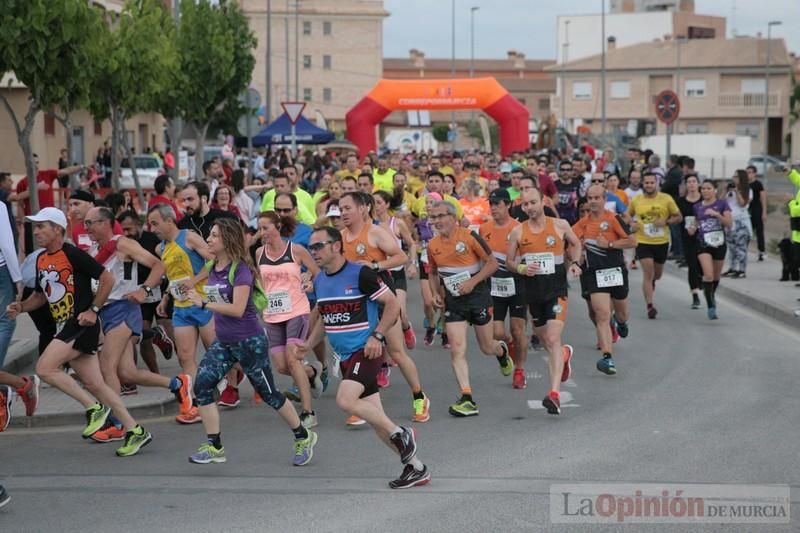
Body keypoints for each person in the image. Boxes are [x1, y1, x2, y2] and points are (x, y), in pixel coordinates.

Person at [7, 208, 152, 455]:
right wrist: (21, 307)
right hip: (66, 325)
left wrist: (94, 310)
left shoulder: (73, 254)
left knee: (44, 368)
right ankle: (135, 430)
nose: (37, 231)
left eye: (42, 226)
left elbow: (107, 279)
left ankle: (94, 409)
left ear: (57, 229)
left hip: (81, 324)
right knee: (97, 384)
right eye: (35, 227)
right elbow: (41, 297)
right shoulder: (41, 259)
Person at [300, 226, 430, 489]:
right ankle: (416, 467)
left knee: (346, 400)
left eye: (318, 246)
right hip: (346, 357)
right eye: (311, 247)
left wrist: (378, 336)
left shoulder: (360, 274)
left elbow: (393, 304)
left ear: (336, 246)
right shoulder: (322, 280)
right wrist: (306, 345)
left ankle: (401, 433)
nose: (313, 252)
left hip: (367, 351)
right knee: (376, 421)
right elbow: (326, 319)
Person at [184, 218, 318, 465]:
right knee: (201, 386)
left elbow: (236, 309)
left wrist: (203, 303)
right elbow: (202, 279)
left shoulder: (241, 269)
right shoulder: (213, 264)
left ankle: (303, 435)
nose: (209, 240)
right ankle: (215, 446)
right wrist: (189, 285)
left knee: (269, 394)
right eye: (209, 235)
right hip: (223, 342)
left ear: (227, 240)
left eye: (214, 236)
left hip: (249, 341)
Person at [84, 207, 191, 441]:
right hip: (106, 312)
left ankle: (117, 423)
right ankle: (177, 384)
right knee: (127, 372)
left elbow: (159, 265)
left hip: (124, 308)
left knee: (106, 366)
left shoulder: (122, 244)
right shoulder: (93, 250)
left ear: (106, 223)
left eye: (91, 223)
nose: (87, 228)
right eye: (85, 223)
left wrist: (144, 290)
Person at [339, 192, 430, 424]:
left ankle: (419, 397)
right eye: (341, 209)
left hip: (383, 300)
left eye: (347, 208)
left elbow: (400, 257)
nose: (343, 213)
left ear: (363, 209)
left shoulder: (377, 233)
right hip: (357, 303)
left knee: (397, 352)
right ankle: (360, 403)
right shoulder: (340, 238)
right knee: (357, 353)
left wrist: (375, 265)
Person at [427, 201, 513, 417]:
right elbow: (432, 272)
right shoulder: (432, 245)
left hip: (478, 297)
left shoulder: (469, 237)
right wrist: (435, 293)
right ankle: (467, 397)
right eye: (433, 217)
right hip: (454, 301)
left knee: (486, 347)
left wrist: (472, 283)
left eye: (440, 216)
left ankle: (501, 351)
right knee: (457, 348)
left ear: (453, 216)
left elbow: (492, 264)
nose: (436, 221)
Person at [506, 188, 582, 415]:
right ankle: (565, 355)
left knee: (552, 337)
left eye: (533, 203)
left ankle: (554, 394)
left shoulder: (560, 225)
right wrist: (520, 267)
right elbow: (509, 261)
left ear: (542, 202)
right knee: (549, 343)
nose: (529, 208)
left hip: (557, 291)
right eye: (525, 204)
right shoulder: (518, 232)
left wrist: (576, 263)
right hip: (533, 294)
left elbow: (576, 244)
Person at [148, 204, 215, 424]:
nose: (152, 228)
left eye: (155, 223)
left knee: (215, 354)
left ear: (169, 220)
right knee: (185, 357)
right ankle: (195, 403)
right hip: (181, 308)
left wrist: (194, 282)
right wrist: (166, 298)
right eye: (150, 224)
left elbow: (213, 261)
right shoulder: (160, 249)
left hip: (203, 302)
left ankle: (236, 375)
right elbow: (173, 276)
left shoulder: (190, 237)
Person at [256, 211, 322, 428]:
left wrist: (309, 279)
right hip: (273, 315)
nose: (262, 233)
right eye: (260, 229)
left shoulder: (295, 250)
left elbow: (317, 272)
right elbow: (261, 282)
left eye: (265, 228)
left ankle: (308, 412)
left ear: (277, 227)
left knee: (293, 360)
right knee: (283, 367)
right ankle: (312, 372)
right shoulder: (259, 253)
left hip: (297, 311)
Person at [572, 185, 636, 375]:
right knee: (602, 314)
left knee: (622, 314)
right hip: (594, 273)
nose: (592, 201)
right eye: (590, 198)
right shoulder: (582, 224)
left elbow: (632, 241)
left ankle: (621, 322)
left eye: (596, 198)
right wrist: (576, 258)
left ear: (604, 199)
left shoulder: (613, 219)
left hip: (615, 271)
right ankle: (607, 357)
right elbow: (570, 241)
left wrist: (609, 244)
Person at [478, 189, 527, 388]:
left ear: (508, 205)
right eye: (491, 204)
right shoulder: (484, 229)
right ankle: (508, 349)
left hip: (518, 285)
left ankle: (519, 371)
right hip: (494, 286)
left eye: (498, 204)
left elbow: (526, 256)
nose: (494, 208)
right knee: (497, 333)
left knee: (517, 329)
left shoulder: (519, 228)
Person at [628, 172, 682, 319]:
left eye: (652, 182)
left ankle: (651, 284)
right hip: (643, 242)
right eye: (646, 183)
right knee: (648, 273)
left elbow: (678, 217)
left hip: (661, 242)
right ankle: (650, 305)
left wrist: (666, 222)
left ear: (656, 183)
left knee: (657, 275)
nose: (649, 185)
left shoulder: (666, 199)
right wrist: (632, 223)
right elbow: (627, 215)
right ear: (642, 184)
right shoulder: (637, 200)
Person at [373, 191, 418, 350]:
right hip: (379, 275)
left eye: (379, 202)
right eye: (373, 202)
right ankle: (391, 350)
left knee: (400, 313)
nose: (375, 206)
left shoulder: (397, 223)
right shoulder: (370, 225)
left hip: (396, 273)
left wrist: (412, 264)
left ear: (387, 204)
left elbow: (411, 244)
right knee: (381, 317)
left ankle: (406, 327)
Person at [15, 155, 83, 254]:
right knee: (31, 252)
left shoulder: (47, 174)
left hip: (49, 220)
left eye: (37, 162)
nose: (35, 165)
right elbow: (19, 202)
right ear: (27, 164)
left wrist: (81, 167)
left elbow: (65, 171)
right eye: (32, 162)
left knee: (53, 248)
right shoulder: (22, 183)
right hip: (32, 221)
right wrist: (21, 222)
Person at [687, 180, 732, 320]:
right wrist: (692, 228)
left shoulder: (722, 204)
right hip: (703, 243)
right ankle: (711, 306)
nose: (705, 191)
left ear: (715, 190)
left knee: (716, 276)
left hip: (719, 243)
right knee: (708, 275)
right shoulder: (697, 207)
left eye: (708, 188)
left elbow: (729, 223)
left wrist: (716, 214)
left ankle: (711, 293)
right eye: (703, 188)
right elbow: (694, 224)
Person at [677, 174, 703, 309]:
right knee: (692, 264)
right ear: (686, 185)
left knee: (701, 264)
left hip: (703, 237)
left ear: (698, 184)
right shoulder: (681, 202)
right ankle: (695, 294)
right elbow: (676, 217)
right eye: (689, 182)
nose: (692, 184)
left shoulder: (704, 200)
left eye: (694, 181)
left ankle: (701, 280)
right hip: (687, 237)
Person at [723, 170, 753, 278]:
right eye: (733, 176)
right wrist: (725, 190)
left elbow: (742, 204)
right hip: (730, 222)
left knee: (741, 247)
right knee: (731, 247)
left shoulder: (748, 190)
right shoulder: (729, 190)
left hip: (741, 222)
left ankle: (742, 270)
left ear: (741, 178)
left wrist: (737, 192)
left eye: (736, 176)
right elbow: (720, 202)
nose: (734, 178)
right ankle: (732, 268)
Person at [745, 165, 766, 262]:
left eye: (750, 172)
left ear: (754, 173)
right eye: (747, 172)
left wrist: (764, 212)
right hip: (746, 210)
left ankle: (761, 251)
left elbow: (763, 198)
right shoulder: (744, 184)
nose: (748, 174)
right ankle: (743, 250)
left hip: (757, 210)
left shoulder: (758, 184)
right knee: (746, 231)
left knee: (759, 231)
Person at [554, 160, 581, 225]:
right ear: (559, 171)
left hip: (573, 221)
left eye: (568, 170)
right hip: (556, 220)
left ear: (572, 171)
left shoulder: (578, 184)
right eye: (563, 170)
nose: (565, 172)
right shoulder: (554, 185)